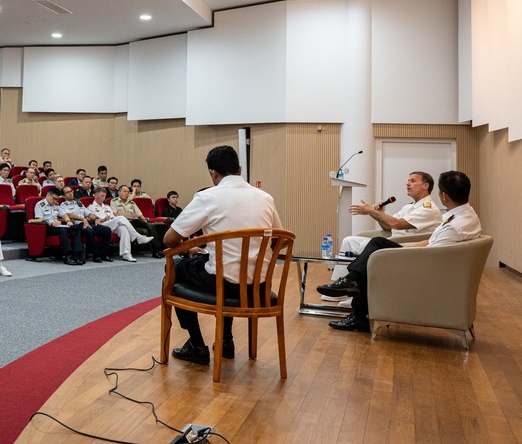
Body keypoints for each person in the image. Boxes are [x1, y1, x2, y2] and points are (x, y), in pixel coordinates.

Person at [317, 171, 483, 333]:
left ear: (444, 195)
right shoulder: (465, 215)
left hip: (426, 266)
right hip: (425, 258)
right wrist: (396, 242)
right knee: (376, 248)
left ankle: (351, 292)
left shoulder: (447, 220)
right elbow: (430, 241)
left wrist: (397, 251)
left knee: (376, 247)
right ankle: (350, 287)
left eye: (412, 180)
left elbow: (402, 229)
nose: (407, 183)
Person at [163, 146, 283, 366]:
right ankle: (226, 341)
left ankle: (197, 345)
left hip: (225, 284)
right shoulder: (266, 198)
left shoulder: (207, 197)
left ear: (212, 173)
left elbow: (169, 240)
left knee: (178, 268)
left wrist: (190, 246)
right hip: (260, 286)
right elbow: (278, 240)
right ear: (238, 168)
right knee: (221, 267)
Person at [328, 171, 442, 290]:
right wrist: (379, 213)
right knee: (349, 241)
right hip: (392, 240)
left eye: (413, 181)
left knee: (364, 244)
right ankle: (338, 287)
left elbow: (396, 224)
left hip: (408, 247)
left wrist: (371, 211)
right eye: (408, 181)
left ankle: (353, 290)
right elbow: (388, 227)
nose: (407, 184)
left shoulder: (428, 209)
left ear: (425, 186)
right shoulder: (409, 206)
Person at [59, 186, 111, 263]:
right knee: (89, 231)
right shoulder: (63, 205)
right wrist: (83, 219)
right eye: (68, 192)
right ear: (63, 196)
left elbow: (89, 213)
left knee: (106, 230)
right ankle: (96, 255)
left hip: (87, 222)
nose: (71, 193)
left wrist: (96, 218)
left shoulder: (79, 203)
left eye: (71, 191)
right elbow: (69, 215)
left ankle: (103, 254)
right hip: (77, 225)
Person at [33, 187, 83, 265]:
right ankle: (67, 255)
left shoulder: (55, 205)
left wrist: (68, 221)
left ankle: (76, 254)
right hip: (47, 227)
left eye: (57, 199)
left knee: (75, 229)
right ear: (48, 195)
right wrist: (51, 223)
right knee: (62, 231)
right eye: (54, 199)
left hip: (58, 226)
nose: (55, 201)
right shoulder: (40, 205)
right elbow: (40, 220)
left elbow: (64, 214)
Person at [111, 185, 164, 258]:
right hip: (126, 224)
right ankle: (154, 251)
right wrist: (129, 216)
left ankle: (157, 250)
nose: (126, 193)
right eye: (124, 191)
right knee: (145, 231)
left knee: (150, 226)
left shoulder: (132, 203)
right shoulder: (114, 201)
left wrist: (145, 222)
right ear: (119, 192)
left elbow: (140, 214)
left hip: (136, 221)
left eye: (128, 192)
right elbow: (114, 214)